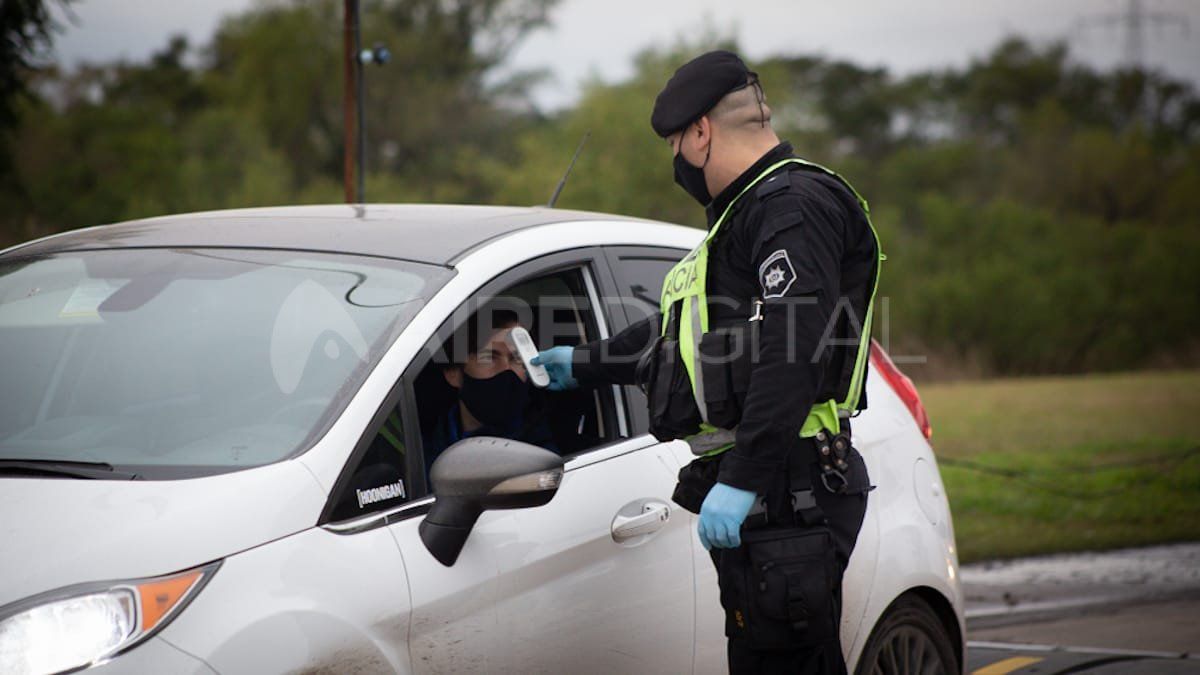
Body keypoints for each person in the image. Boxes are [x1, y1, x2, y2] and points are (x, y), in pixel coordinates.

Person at [533, 50, 882, 674]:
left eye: (674, 143)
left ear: (700, 132)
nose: (675, 161)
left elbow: (791, 348)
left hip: (787, 484)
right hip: (775, 488)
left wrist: (745, 478)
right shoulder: (746, 215)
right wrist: (580, 363)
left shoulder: (792, 207)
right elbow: (685, 334)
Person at [422, 308, 554, 472]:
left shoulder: (548, 452)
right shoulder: (421, 456)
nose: (506, 369)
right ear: (453, 373)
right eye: (489, 357)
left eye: (517, 359)